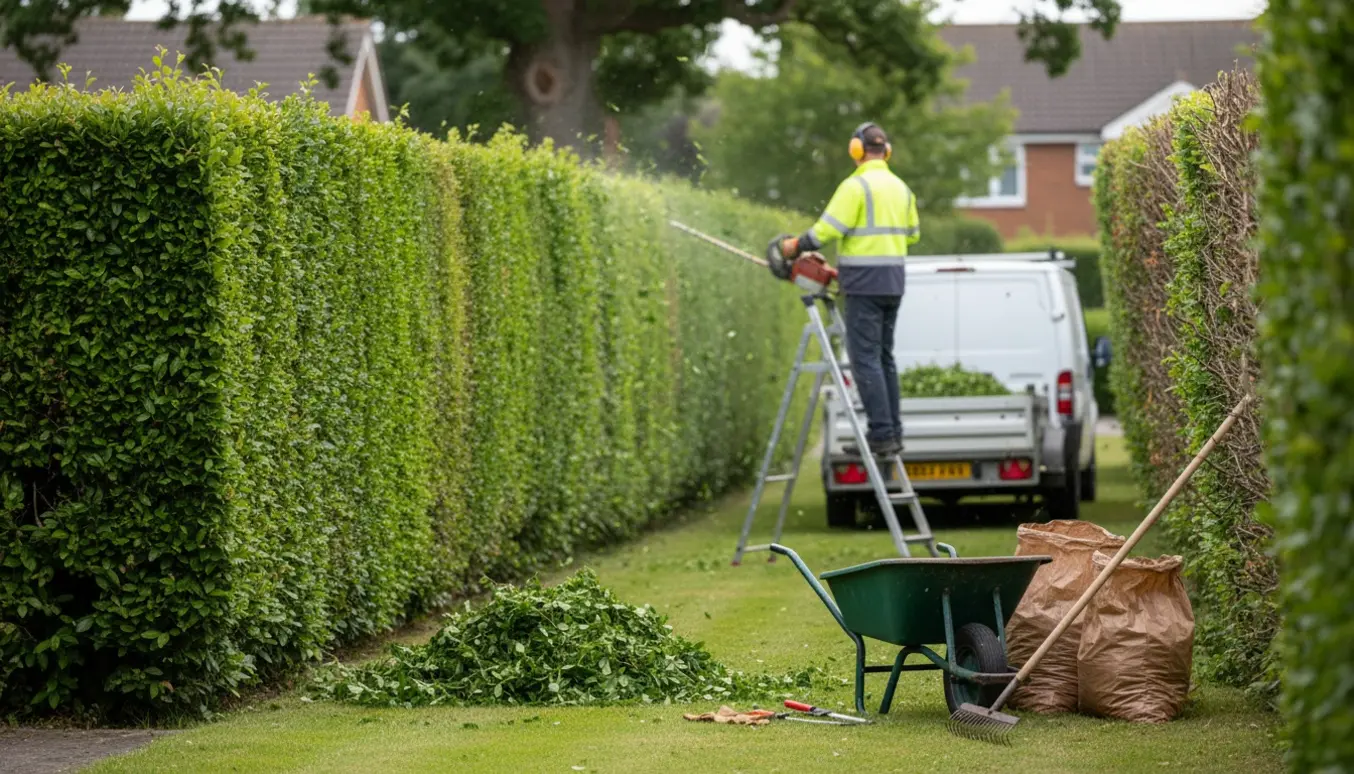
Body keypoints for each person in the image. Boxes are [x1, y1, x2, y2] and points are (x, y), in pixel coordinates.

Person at [772, 122, 920, 457]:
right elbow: (912, 235)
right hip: (893, 282)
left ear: (856, 149)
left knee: (864, 359)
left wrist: (795, 246)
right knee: (884, 357)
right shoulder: (902, 189)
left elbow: (825, 231)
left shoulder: (856, 186)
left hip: (864, 285)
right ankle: (893, 432)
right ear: (886, 151)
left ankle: (881, 434)